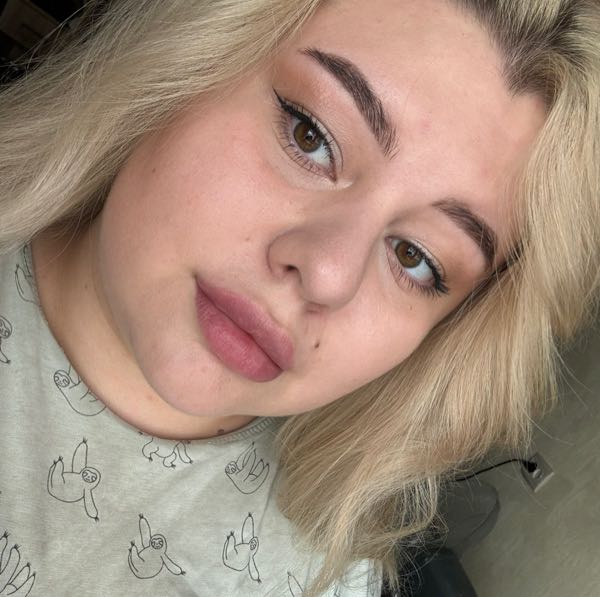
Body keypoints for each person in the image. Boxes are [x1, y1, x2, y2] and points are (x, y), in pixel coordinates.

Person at [0, 0, 598, 595]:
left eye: (416, 258)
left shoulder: (315, 580)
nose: (328, 275)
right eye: (310, 136)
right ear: (186, 62)